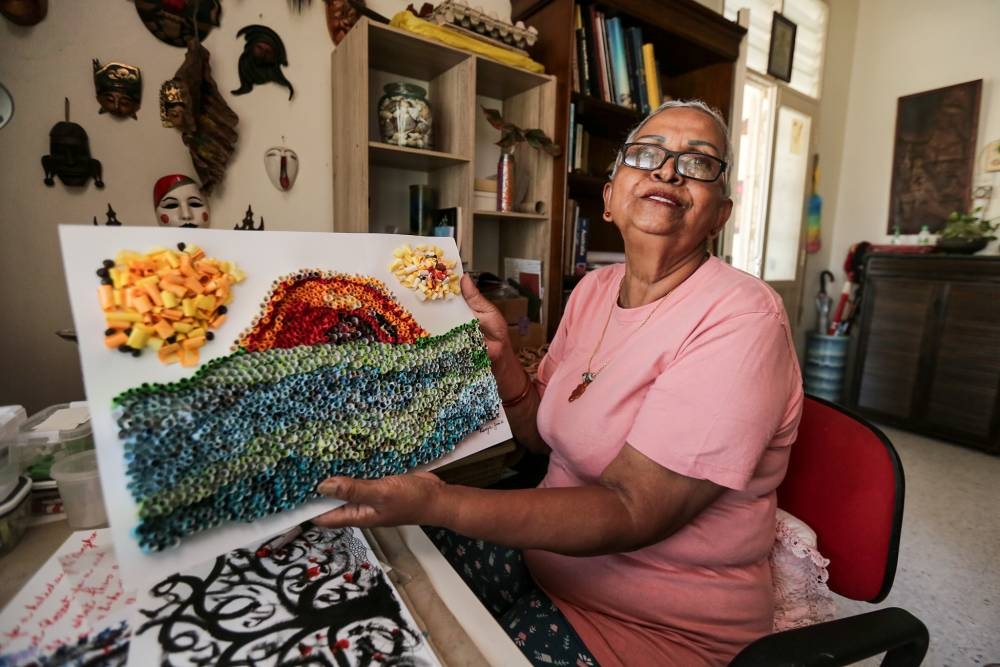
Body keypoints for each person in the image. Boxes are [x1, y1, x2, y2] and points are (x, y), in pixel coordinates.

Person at [314, 99, 804, 666]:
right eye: (647, 154)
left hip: (659, 625)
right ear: (610, 198)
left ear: (721, 214)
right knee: (359, 589)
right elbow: (544, 440)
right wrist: (504, 364)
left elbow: (633, 510)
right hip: (547, 565)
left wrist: (439, 501)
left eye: (698, 162)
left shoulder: (742, 318)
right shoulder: (594, 289)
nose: (668, 171)